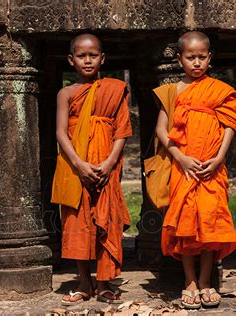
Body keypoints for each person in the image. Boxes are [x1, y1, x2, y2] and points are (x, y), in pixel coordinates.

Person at [155, 31, 236, 309]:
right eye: (190, 57)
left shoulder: (219, 89)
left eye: (202, 57)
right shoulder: (171, 92)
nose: (196, 63)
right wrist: (179, 157)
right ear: (179, 59)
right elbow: (161, 129)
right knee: (186, 227)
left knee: (210, 225)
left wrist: (219, 158)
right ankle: (190, 281)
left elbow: (231, 124)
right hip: (184, 168)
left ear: (210, 58)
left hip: (211, 169)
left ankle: (206, 281)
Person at [51, 33, 132, 305]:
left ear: (102, 58)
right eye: (82, 55)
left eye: (93, 55)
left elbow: (122, 131)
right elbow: (61, 134)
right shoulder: (66, 93)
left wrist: (109, 163)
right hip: (76, 168)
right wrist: (79, 164)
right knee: (77, 223)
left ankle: (105, 282)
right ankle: (84, 282)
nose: (88, 60)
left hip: (106, 166)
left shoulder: (115, 89)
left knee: (107, 222)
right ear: (71, 59)